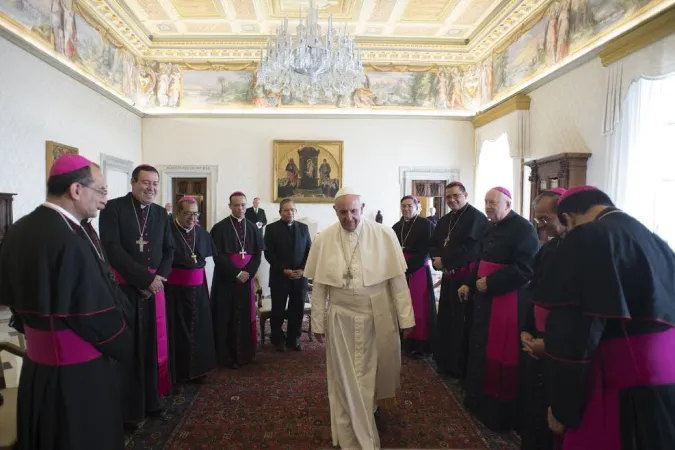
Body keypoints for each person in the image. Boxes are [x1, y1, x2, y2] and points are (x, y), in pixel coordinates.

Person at [0, 155, 131, 449]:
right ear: (75, 190)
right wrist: (125, 342)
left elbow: (14, 302)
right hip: (79, 377)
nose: (104, 200)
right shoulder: (70, 238)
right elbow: (96, 315)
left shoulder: (19, 228)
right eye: (100, 191)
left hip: (38, 370)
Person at [534, 186, 675, 450]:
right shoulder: (650, 236)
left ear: (569, 218)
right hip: (666, 374)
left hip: (622, 379)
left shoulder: (587, 237)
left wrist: (563, 407)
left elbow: (574, 332)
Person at [306, 187, 416, 450]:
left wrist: (406, 319)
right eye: (342, 212)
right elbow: (319, 286)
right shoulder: (324, 239)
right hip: (340, 317)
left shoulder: (383, 234)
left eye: (354, 211)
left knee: (373, 371)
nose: (349, 218)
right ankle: (352, 424)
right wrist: (317, 322)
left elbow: (398, 282)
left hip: (376, 314)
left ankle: (369, 408)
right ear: (335, 211)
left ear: (362, 208)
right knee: (345, 375)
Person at [99, 164, 175, 428]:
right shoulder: (113, 209)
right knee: (130, 348)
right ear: (133, 183)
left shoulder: (161, 214)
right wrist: (144, 279)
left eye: (155, 183)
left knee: (152, 346)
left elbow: (169, 250)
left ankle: (152, 401)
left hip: (153, 290)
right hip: (125, 291)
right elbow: (112, 248)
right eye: (146, 182)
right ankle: (129, 409)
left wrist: (157, 280)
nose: (151, 188)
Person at [458, 186, 539, 431]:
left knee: (499, 351)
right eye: (486, 202)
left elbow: (526, 269)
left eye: (493, 202)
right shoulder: (489, 226)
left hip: (506, 300)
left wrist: (490, 283)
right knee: (479, 346)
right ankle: (477, 399)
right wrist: (468, 283)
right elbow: (481, 260)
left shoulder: (524, 229)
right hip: (484, 298)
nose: (488, 206)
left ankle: (497, 411)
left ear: (508, 204)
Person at [519, 188, 566, 450]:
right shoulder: (548, 249)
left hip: (558, 343)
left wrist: (550, 345)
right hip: (538, 334)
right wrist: (526, 329)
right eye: (538, 220)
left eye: (545, 219)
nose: (541, 227)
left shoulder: (583, 252)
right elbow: (533, 291)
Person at [430, 181, 488, 379]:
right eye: (448, 197)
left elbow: (472, 250)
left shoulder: (477, 218)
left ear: (466, 195)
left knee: (462, 322)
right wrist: (436, 261)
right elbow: (435, 243)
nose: (452, 200)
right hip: (448, 276)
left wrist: (445, 260)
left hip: (465, 278)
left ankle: (460, 365)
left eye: (456, 196)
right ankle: (445, 360)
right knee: (446, 317)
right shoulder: (445, 220)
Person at [165, 196, 217, 383]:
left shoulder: (202, 234)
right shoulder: (168, 231)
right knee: (177, 331)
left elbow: (209, 262)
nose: (192, 218)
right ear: (178, 213)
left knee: (200, 329)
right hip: (174, 293)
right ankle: (178, 373)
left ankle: (199, 370)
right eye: (187, 213)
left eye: (195, 214)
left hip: (199, 291)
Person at [210, 192, 264, 368]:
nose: (240, 208)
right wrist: (236, 273)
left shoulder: (253, 228)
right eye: (236, 205)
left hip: (245, 281)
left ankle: (245, 354)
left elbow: (257, 254)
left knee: (243, 316)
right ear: (230, 206)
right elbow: (218, 256)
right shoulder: (220, 228)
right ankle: (226, 356)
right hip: (226, 281)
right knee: (226, 317)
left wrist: (247, 272)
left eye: (242, 205)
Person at [264, 199, 312, 352]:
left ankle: (294, 338)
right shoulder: (271, 229)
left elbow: (309, 252)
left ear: (296, 212)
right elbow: (269, 253)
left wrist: (304, 269)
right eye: (286, 210)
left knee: (297, 310)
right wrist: (283, 269)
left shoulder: (304, 228)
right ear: (280, 212)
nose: (289, 212)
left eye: (292, 210)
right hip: (280, 276)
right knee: (278, 310)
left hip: (300, 277)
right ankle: (278, 339)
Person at [392, 195, 436, 358]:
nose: (406, 209)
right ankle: (405, 341)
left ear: (417, 208)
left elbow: (427, 250)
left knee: (418, 306)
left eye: (410, 206)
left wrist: (408, 267)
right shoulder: (396, 227)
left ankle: (420, 343)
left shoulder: (427, 225)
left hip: (418, 270)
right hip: (400, 269)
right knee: (401, 304)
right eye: (403, 206)